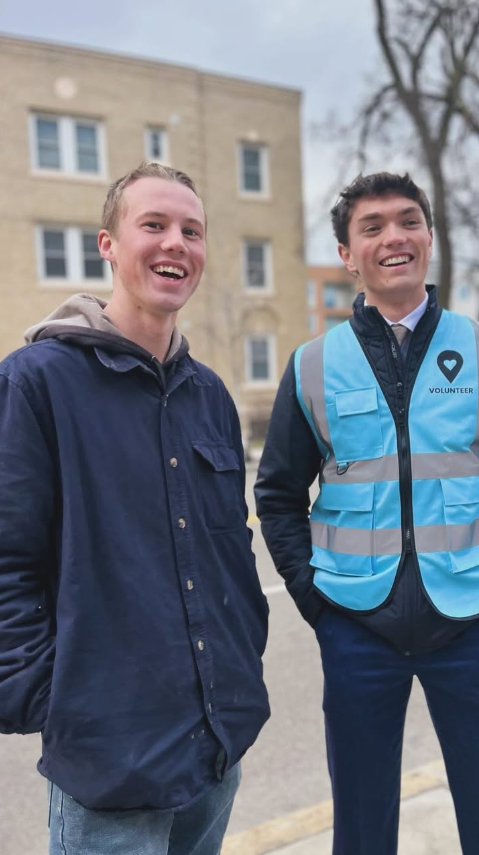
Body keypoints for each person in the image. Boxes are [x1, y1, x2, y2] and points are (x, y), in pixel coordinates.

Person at [255, 172, 479, 855]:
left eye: (407, 221)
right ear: (347, 254)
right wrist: (316, 602)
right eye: (371, 227)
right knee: (362, 828)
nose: (393, 237)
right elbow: (276, 494)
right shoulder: (312, 366)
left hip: (472, 621)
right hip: (356, 627)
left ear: (428, 236)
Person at [0, 162, 269, 855]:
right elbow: (6, 556)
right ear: (108, 245)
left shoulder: (208, 393)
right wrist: (49, 699)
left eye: (191, 230)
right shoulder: (37, 382)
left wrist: (243, 656)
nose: (175, 243)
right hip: (108, 760)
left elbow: (229, 543)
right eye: (153, 225)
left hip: (213, 741)